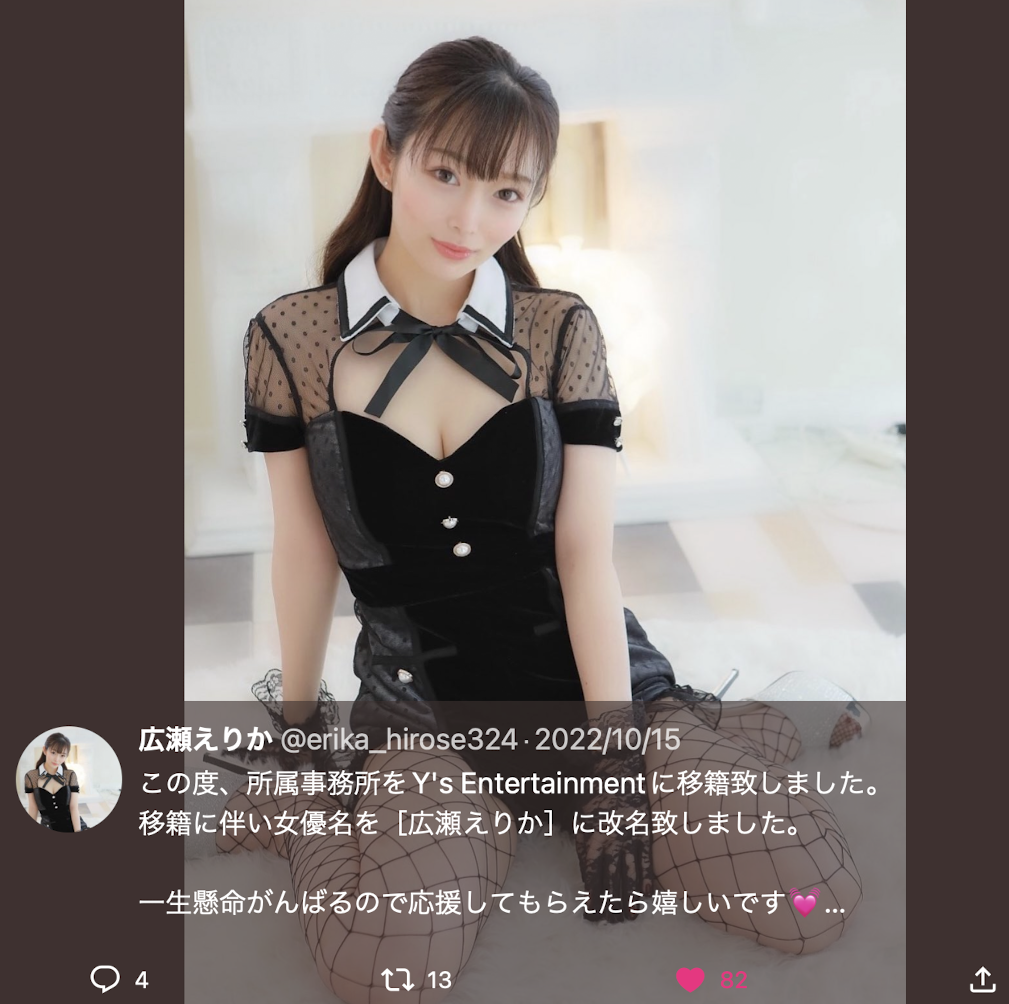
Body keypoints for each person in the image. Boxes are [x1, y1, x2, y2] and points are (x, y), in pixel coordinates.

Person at [216, 36, 864, 1003]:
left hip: (591, 686)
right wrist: (303, 727)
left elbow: (585, 556)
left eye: (505, 192)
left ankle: (712, 723)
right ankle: (307, 807)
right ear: (386, 156)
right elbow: (305, 552)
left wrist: (614, 759)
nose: (469, 218)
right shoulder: (292, 338)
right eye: (444, 174)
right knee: (380, 966)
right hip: (425, 713)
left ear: (532, 198)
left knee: (812, 900)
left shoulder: (561, 329)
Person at [25, 733, 87, 832]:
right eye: (53, 753)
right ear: (45, 750)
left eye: (62, 755)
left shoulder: (70, 775)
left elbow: (74, 808)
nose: (57, 759)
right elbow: (33, 808)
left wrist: (78, 831)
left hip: (72, 826)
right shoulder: (31, 777)